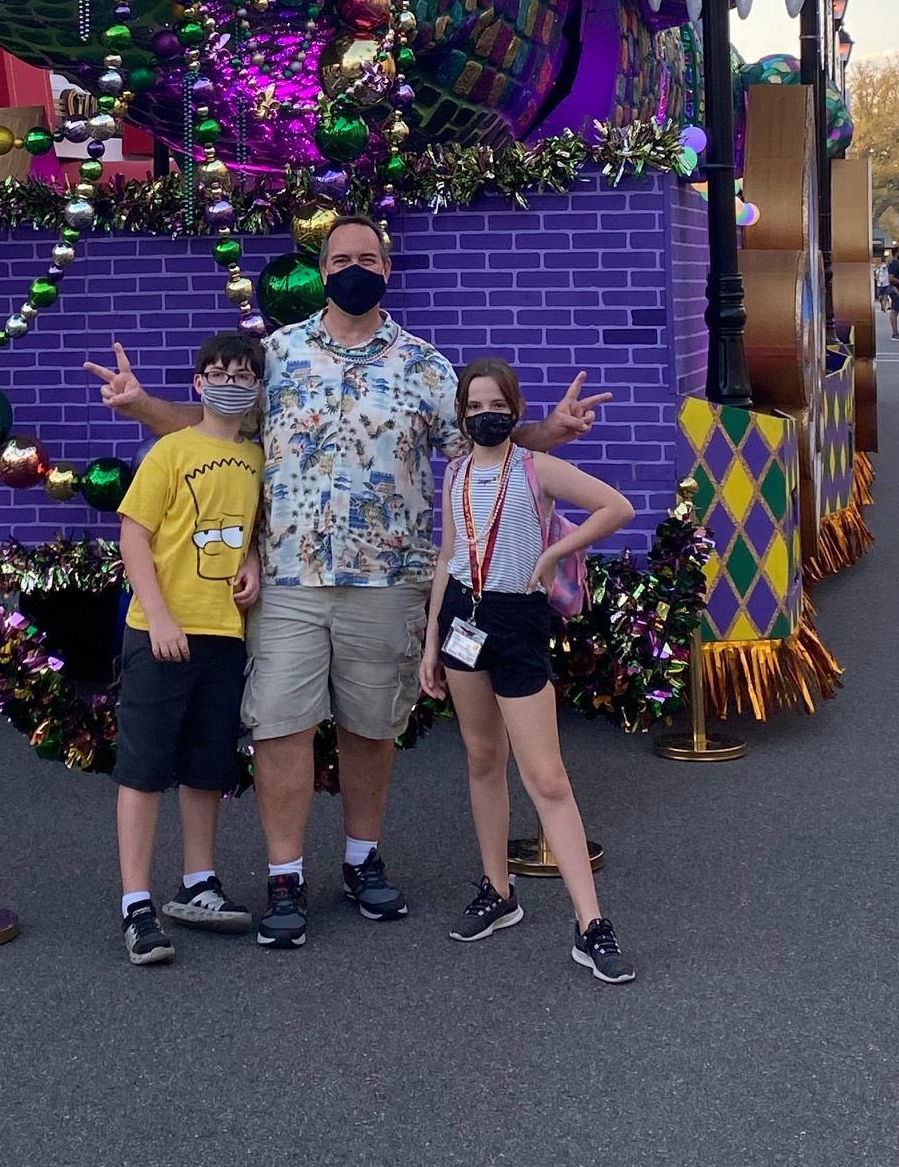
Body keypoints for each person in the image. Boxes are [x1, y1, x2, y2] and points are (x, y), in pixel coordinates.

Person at [87, 213, 609, 952]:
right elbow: (210, 426)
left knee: (371, 728)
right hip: (290, 579)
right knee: (280, 726)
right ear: (322, 269)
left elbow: (484, 444)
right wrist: (140, 404)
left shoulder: (426, 367)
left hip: (389, 579)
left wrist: (547, 432)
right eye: (341, 257)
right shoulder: (278, 354)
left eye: (369, 256)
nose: (354, 267)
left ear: (387, 270)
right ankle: (286, 876)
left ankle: (363, 859)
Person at [420, 358, 636, 981]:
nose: (486, 416)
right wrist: (433, 641)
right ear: (461, 415)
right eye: (475, 407)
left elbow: (613, 507)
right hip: (464, 621)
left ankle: (591, 923)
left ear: (515, 411)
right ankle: (498, 889)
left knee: (546, 777)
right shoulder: (457, 473)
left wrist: (554, 554)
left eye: (497, 407)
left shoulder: (535, 468)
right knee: (482, 758)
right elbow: (448, 556)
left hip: (518, 624)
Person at [112, 331, 266, 966]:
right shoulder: (170, 452)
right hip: (160, 633)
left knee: (208, 766)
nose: (231, 382)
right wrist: (163, 618)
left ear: (258, 387)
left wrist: (252, 557)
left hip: (224, 633)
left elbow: (252, 530)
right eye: (219, 372)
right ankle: (136, 904)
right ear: (199, 382)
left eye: (244, 374)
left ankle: (199, 882)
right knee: (146, 767)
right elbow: (133, 538)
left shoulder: (259, 459)